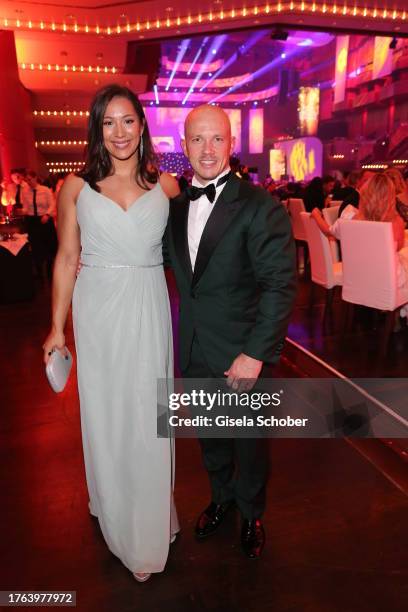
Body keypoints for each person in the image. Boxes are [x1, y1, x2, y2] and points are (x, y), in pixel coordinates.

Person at [43, 84, 180, 583]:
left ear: (142, 126)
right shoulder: (75, 188)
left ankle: (147, 521)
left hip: (148, 304)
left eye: (128, 121)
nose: (119, 132)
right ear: (96, 129)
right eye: (108, 122)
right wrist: (57, 327)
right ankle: (113, 505)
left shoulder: (165, 186)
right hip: (97, 307)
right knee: (107, 411)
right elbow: (65, 257)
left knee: (148, 411)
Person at [164, 105, 296, 559]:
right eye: (197, 139)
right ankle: (221, 498)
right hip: (195, 347)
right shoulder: (174, 209)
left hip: (243, 353)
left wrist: (256, 354)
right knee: (212, 437)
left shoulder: (261, 207)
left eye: (216, 139)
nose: (207, 149)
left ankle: (251, 511)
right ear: (184, 146)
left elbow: (280, 285)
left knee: (251, 444)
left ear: (231, 144)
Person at [311, 173, 408, 285]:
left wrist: (316, 215)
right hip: (389, 282)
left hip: (357, 278)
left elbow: (328, 231)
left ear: (366, 192)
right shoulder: (396, 223)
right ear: (391, 196)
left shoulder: (350, 219)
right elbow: (398, 248)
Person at [21, 170, 57, 279]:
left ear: (35, 177)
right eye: (26, 180)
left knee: (49, 246)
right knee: (36, 247)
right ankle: (39, 272)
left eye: (29, 179)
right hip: (32, 221)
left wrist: (47, 214)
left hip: (45, 220)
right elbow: (26, 207)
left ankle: (50, 271)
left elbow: (52, 204)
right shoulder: (25, 191)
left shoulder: (45, 190)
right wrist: (22, 211)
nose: (28, 182)